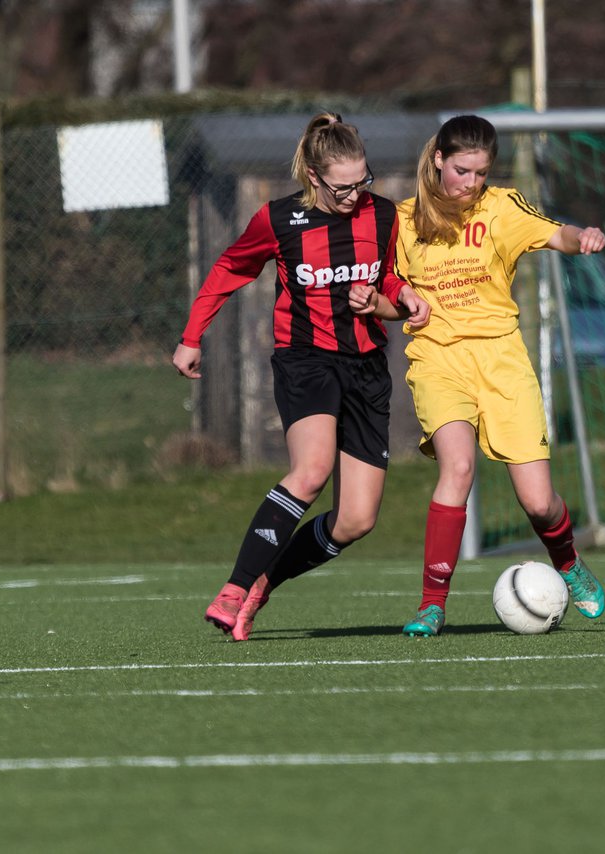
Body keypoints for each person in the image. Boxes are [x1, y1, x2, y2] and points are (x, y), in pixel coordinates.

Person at [174, 112, 430, 641]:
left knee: (357, 519)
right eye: (343, 187)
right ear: (313, 177)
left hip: (366, 369)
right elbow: (230, 269)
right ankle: (233, 588)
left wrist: (399, 296)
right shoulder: (279, 219)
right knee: (310, 471)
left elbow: (389, 274)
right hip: (305, 361)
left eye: (364, 181)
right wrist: (192, 335)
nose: (356, 194)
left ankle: (265, 583)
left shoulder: (383, 215)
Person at [393, 114, 605, 638]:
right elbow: (388, 285)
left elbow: (558, 233)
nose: (471, 184)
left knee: (538, 501)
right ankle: (431, 605)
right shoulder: (401, 220)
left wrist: (585, 236)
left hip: (502, 360)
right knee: (458, 469)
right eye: (462, 171)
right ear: (439, 159)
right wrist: (401, 299)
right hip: (438, 360)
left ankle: (569, 562)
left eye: (482, 173)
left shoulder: (501, 207)